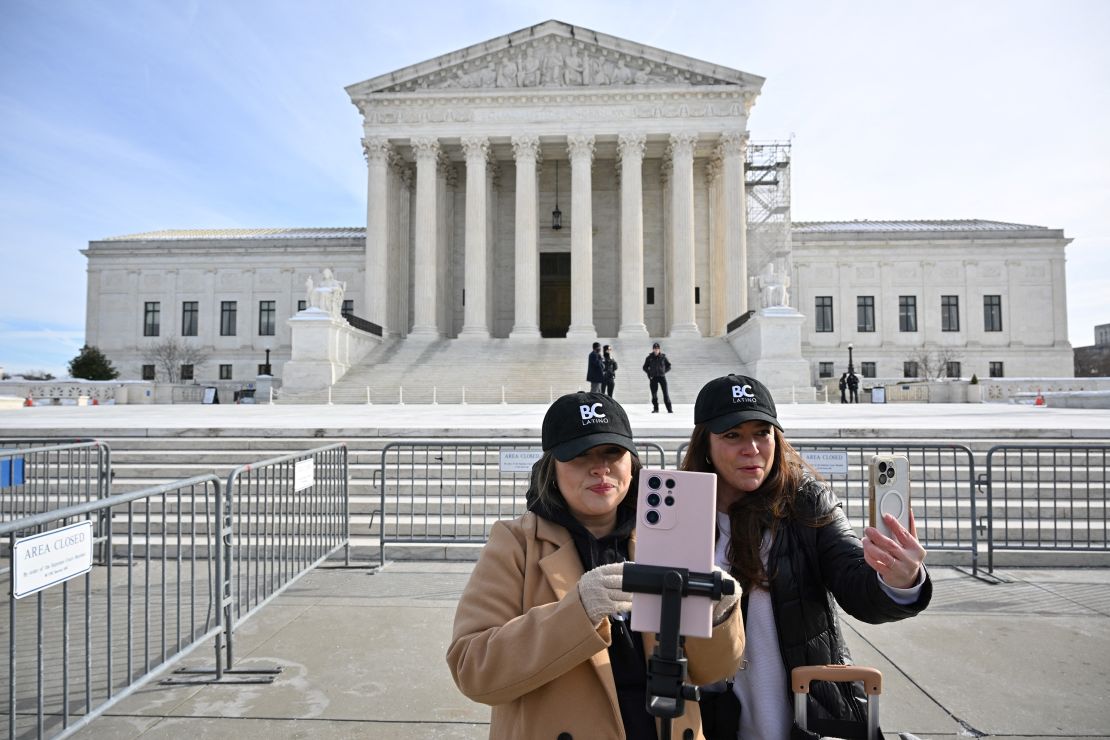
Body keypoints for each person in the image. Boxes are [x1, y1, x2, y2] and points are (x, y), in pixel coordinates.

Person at [447, 392, 746, 739]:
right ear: (552, 468)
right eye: (579, 455)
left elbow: (711, 670)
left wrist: (719, 616)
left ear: (632, 465)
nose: (599, 468)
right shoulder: (515, 543)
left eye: (611, 452)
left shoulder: (666, 537)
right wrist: (578, 612)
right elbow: (473, 669)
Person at [681, 374, 930, 739]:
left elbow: (854, 582)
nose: (751, 448)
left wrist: (898, 579)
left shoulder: (805, 502)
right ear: (706, 444)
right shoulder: (683, 515)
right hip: (710, 719)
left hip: (803, 717)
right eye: (732, 435)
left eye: (761, 432)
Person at [642, 342, 673, 413]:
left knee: (665, 393)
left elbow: (669, 366)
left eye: (657, 349)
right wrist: (649, 373)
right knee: (654, 394)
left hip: (662, 377)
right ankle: (656, 409)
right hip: (653, 378)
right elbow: (644, 367)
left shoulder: (663, 357)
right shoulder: (649, 358)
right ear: (653, 349)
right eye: (655, 349)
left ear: (659, 349)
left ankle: (669, 409)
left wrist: (664, 371)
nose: (656, 350)